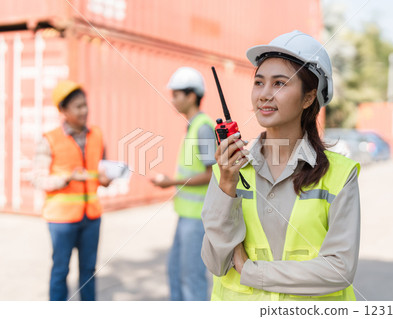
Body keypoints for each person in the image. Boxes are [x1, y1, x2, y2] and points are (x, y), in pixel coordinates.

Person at [201, 30, 361, 301]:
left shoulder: (340, 175)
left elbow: (339, 270)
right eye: (259, 82)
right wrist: (227, 186)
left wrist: (251, 271)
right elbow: (215, 262)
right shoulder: (228, 169)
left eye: (279, 84)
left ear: (308, 98)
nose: (264, 94)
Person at [33, 80, 112, 301]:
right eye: (78, 106)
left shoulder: (96, 134)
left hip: (92, 216)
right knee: (60, 270)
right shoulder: (49, 139)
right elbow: (38, 179)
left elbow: (100, 170)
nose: (84, 111)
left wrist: (106, 179)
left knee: (88, 271)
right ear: (63, 111)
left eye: (85, 105)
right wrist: (66, 178)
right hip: (61, 220)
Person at [150, 67, 216, 300]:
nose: (172, 99)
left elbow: (212, 174)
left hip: (197, 218)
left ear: (191, 96)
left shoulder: (204, 127)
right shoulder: (193, 126)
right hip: (186, 215)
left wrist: (171, 182)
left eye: (176, 94)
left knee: (191, 279)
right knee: (175, 273)